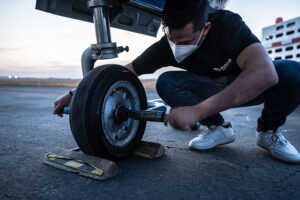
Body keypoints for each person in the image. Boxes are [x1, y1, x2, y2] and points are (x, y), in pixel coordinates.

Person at [54, 0, 300, 163]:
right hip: (209, 87)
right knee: (167, 82)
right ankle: (219, 129)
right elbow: (126, 71)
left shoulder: (228, 25)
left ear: (206, 28)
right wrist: (78, 93)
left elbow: (264, 74)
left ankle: (269, 132)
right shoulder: (167, 47)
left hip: (244, 84)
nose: (177, 47)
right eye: (172, 39)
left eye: (185, 41)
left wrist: (197, 111)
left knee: (291, 72)